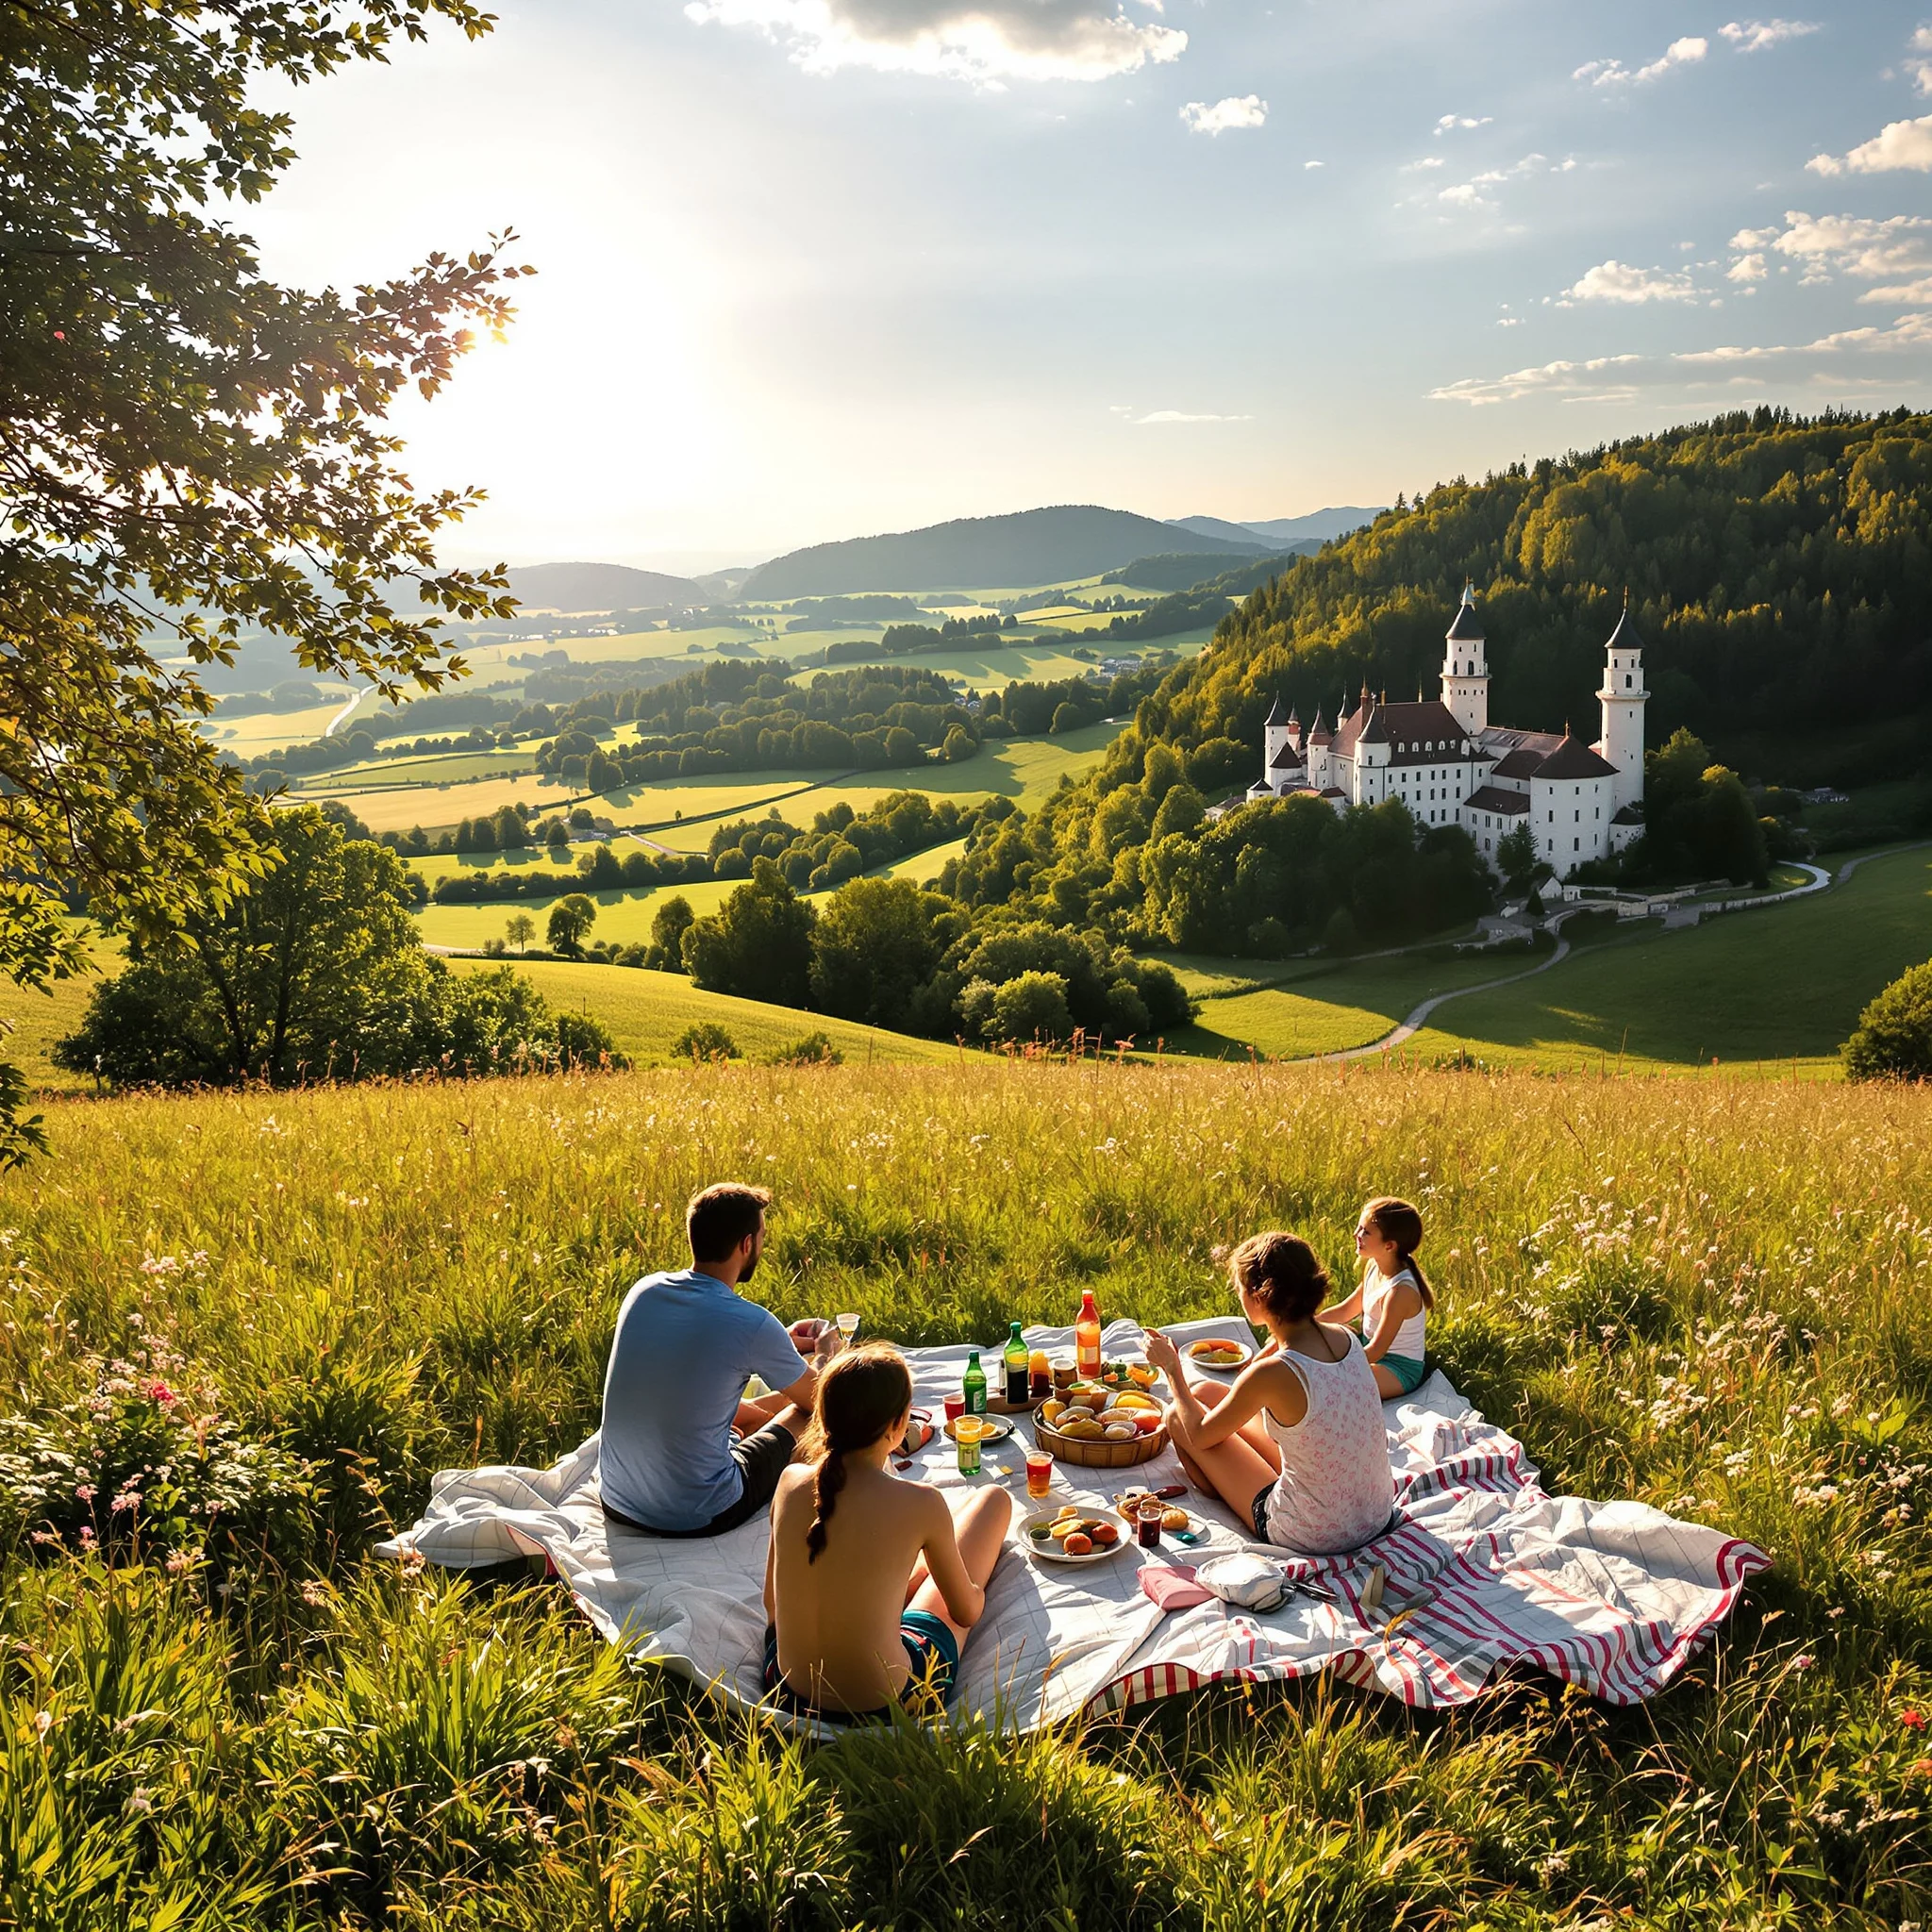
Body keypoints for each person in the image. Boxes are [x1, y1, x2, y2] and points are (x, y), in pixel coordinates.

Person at [763, 1343, 1011, 1720]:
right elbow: (966, 1612)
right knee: (993, 1500)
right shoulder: (920, 1503)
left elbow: (772, 1606)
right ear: (899, 1424)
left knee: (899, 1573)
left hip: (786, 1690)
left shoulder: (789, 1482)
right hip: (889, 1705)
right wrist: (961, 1583)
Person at [1141, 1232, 1394, 1554]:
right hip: (1374, 1514)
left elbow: (1199, 1436)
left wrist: (1172, 1368)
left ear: (1259, 1297)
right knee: (1206, 1390)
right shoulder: (1346, 1338)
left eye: (1241, 1289)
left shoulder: (1273, 1373)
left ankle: (1221, 1486)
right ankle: (1241, 1478)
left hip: (1313, 1532)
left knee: (1177, 1414)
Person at [599, 1181, 824, 1538]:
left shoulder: (643, 1291)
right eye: (762, 1237)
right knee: (806, 1416)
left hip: (618, 1502)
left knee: (742, 1406)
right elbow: (822, 1401)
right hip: (700, 1513)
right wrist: (829, 1357)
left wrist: (780, 1342)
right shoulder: (751, 1323)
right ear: (746, 1244)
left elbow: (696, 1356)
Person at [1326, 1196, 1434, 1399]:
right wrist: (1306, 1325)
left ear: (1389, 1246)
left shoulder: (1401, 1292)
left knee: (1332, 1385)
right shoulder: (1374, 1265)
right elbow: (1345, 1310)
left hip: (1396, 1367)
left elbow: (1377, 1350)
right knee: (1314, 1341)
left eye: (1365, 1232)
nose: (1356, 1234)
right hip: (1366, 1348)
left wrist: (1333, 1367)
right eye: (1359, 1228)